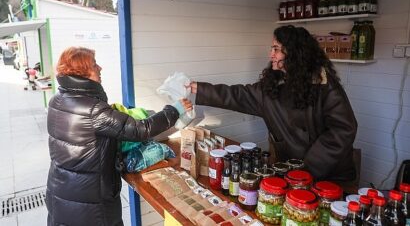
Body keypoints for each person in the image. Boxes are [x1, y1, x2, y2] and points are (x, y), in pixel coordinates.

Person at [190, 25, 358, 184]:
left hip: (327, 175)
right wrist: (199, 88)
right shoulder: (273, 85)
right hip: (290, 170)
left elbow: (343, 130)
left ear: (295, 53)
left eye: (276, 49)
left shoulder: (325, 86)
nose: (271, 55)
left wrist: (309, 168)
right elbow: (237, 95)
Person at [46, 46, 192, 226]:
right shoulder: (93, 110)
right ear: (82, 73)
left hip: (61, 190)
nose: (100, 68)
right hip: (90, 202)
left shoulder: (57, 100)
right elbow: (140, 129)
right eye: (94, 65)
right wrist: (174, 110)